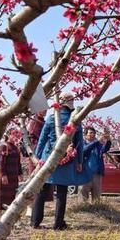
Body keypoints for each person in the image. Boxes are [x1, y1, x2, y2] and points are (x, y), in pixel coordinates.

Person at [31, 92, 91, 230]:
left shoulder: (51, 118)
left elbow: (42, 139)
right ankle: (58, 224)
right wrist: (80, 161)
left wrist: (37, 157)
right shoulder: (75, 120)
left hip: (49, 158)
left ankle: (35, 221)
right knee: (62, 192)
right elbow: (79, 143)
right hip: (66, 159)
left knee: (42, 189)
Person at [0, 130, 23, 217]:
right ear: (8, 135)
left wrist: (20, 173)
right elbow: (1, 162)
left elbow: (18, 162)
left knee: (12, 195)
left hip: (14, 176)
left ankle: (9, 215)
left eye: (17, 134)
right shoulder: (4, 146)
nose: (15, 136)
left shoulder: (16, 147)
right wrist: (3, 175)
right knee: (1, 196)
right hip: (5, 175)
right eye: (13, 134)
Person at [80, 127, 111, 204]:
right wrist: (96, 142)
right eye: (90, 133)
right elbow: (85, 150)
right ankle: (83, 210)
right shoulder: (82, 144)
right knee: (83, 194)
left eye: (93, 133)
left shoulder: (98, 145)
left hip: (97, 174)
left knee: (96, 195)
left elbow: (105, 149)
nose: (92, 135)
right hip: (85, 173)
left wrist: (108, 140)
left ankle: (96, 210)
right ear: (85, 135)